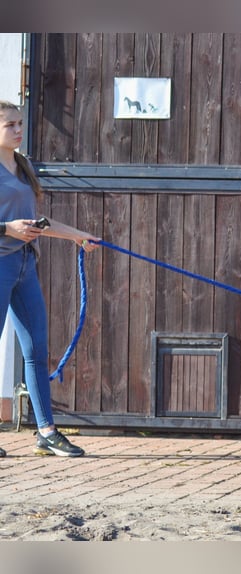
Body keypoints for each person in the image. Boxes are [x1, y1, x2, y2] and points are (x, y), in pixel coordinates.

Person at [0, 100, 101, 458]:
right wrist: (6, 228)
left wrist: (77, 235)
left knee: (36, 350)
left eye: (19, 123)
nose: (17, 129)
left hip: (25, 266)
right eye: (10, 124)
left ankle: (46, 431)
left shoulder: (22, 166)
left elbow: (37, 221)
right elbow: (13, 225)